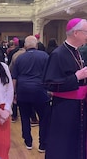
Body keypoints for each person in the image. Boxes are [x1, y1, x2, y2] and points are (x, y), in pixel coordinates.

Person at [43, 18, 87, 159]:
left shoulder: (77, 52)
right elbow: (49, 84)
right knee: (63, 145)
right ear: (76, 33)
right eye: (86, 32)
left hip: (79, 107)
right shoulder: (58, 54)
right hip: (64, 110)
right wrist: (76, 77)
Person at [12, 35, 50, 152]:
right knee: (44, 118)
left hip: (23, 91)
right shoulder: (45, 56)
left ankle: (28, 142)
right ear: (36, 45)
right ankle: (42, 144)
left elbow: (14, 78)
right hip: (40, 91)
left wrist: (13, 94)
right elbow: (50, 75)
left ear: (25, 46)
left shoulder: (19, 58)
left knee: (24, 117)